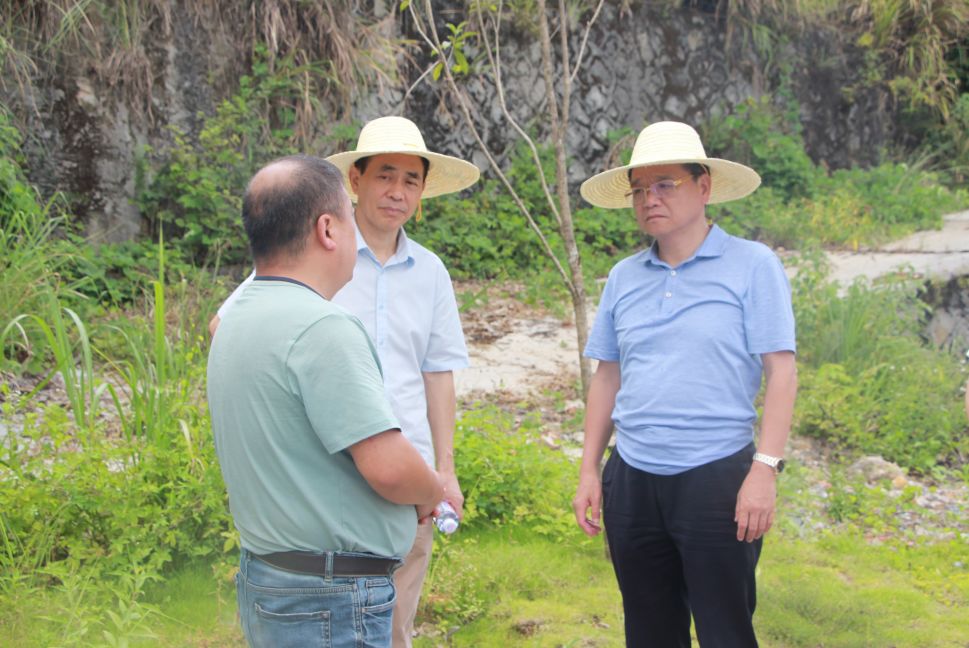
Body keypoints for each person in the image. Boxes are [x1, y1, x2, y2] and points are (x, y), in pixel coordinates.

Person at [210, 117, 479, 647]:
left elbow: (437, 370)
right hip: (332, 495)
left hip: (409, 480)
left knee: (391, 625)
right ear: (354, 181)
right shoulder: (304, 258)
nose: (397, 192)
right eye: (385, 176)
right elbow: (229, 325)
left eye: (410, 180)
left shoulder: (430, 272)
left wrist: (440, 473)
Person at [572, 122, 798, 647]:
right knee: (649, 632)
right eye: (640, 189)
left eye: (665, 184)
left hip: (716, 477)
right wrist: (589, 470)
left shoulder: (752, 266)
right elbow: (607, 376)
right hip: (632, 479)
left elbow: (781, 372)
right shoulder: (624, 277)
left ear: (705, 186)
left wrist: (764, 470)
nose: (650, 199)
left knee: (725, 632)